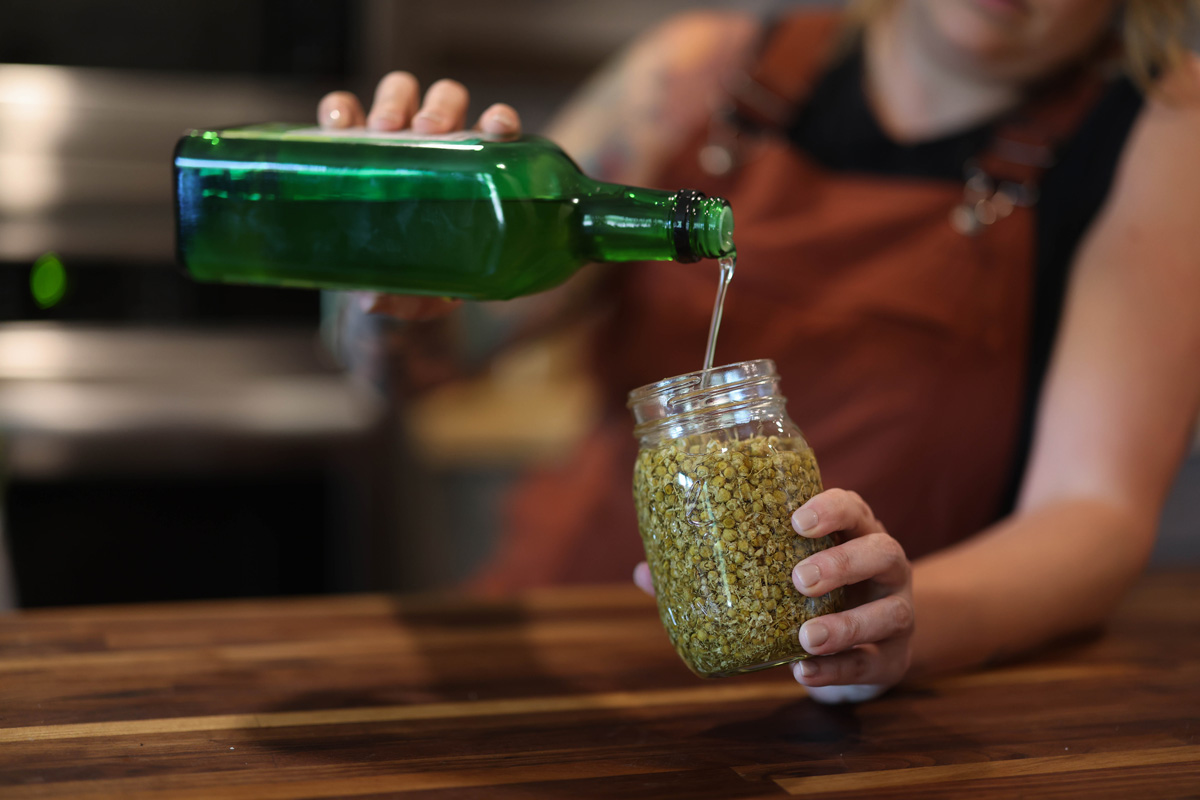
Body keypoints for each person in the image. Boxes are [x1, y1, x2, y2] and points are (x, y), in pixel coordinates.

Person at [317, 0, 1200, 703]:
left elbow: (1095, 509)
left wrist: (905, 621)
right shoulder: (703, 67)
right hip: (566, 637)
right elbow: (421, 369)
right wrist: (394, 297)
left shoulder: (1164, 127)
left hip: (855, 681)